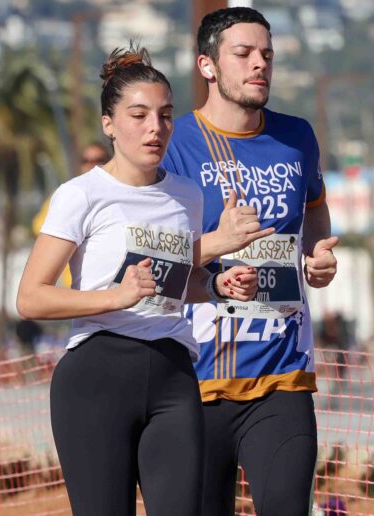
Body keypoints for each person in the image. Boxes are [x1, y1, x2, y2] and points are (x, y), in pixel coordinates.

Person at [16, 45, 259, 516]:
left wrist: (215, 287)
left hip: (174, 375)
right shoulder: (81, 194)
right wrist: (116, 297)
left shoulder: (186, 195)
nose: (155, 128)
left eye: (165, 116)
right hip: (96, 377)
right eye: (139, 115)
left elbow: (174, 284)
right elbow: (31, 298)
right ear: (109, 124)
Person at [162, 7, 338, 516]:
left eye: (267, 54)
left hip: (283, 375)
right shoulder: (174, 144)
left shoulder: (296, 137)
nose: (259, 64)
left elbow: (315, 206)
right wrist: (217, 242)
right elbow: (151, 267)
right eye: (243, 54)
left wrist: (316, 255)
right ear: (207, 65)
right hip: (193, 381)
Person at [32, 142, 111, 287]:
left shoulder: (116, 197)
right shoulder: (69, 194)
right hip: (73, 288)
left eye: (99, 160)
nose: (92, 165)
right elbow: (39, 227)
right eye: (86, 160)